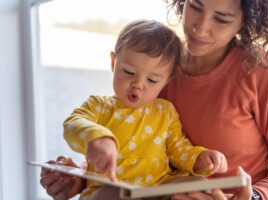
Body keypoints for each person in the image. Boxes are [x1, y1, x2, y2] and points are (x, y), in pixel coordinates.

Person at [40, 0, 268, 199]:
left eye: (221, 18)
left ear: (246, 21)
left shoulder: (264, 72)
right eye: (195, 5)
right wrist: (79, 177)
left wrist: (254, 197)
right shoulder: (155, 68)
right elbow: (136, 148)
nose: (200, 28)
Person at [56, 19, 228, 200]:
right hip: (112, 187)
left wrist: (200, 158)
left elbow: (178, 149)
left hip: (158, 188)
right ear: (114, 63)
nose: (138, 85)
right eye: (129, 72)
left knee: (198, 183)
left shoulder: (165, 111)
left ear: (166, 81)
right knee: (107, 194)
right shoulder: (98, 106)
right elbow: (72, 124)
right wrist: (97, 138)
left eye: (152, 80)